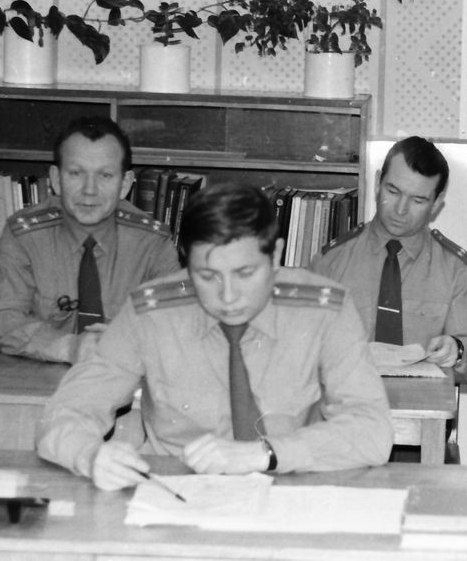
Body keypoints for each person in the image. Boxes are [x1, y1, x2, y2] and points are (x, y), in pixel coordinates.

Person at [37, 183, 392, 488]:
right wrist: (90, 455)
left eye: (245, 273)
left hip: (290, 489)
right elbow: (66, 412)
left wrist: (264, 454)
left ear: (276, 255)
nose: (228, 295)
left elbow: (372, 430)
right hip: (176, 497)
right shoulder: (150, 312)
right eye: (207, 276)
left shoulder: (325, 310)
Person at [0, 116, 180, 363]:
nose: (89, 190)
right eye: (76, 173)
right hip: (42, 374)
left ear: (124, 184)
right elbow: (2, 320)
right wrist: (70, 347)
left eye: (105, 175)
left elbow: (178, 318)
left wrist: (125, 343)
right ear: (56, 180)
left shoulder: (152, 242)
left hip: (127, 373)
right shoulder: (24, 237)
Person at [311, 136, 467, 387]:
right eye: (393, 192)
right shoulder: (331, 262)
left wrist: (456, 352)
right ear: (377, 183)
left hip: (423, 406)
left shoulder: (456, 270)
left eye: (418, 200)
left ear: (436, 204)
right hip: (345, 404)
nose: (401, 209)